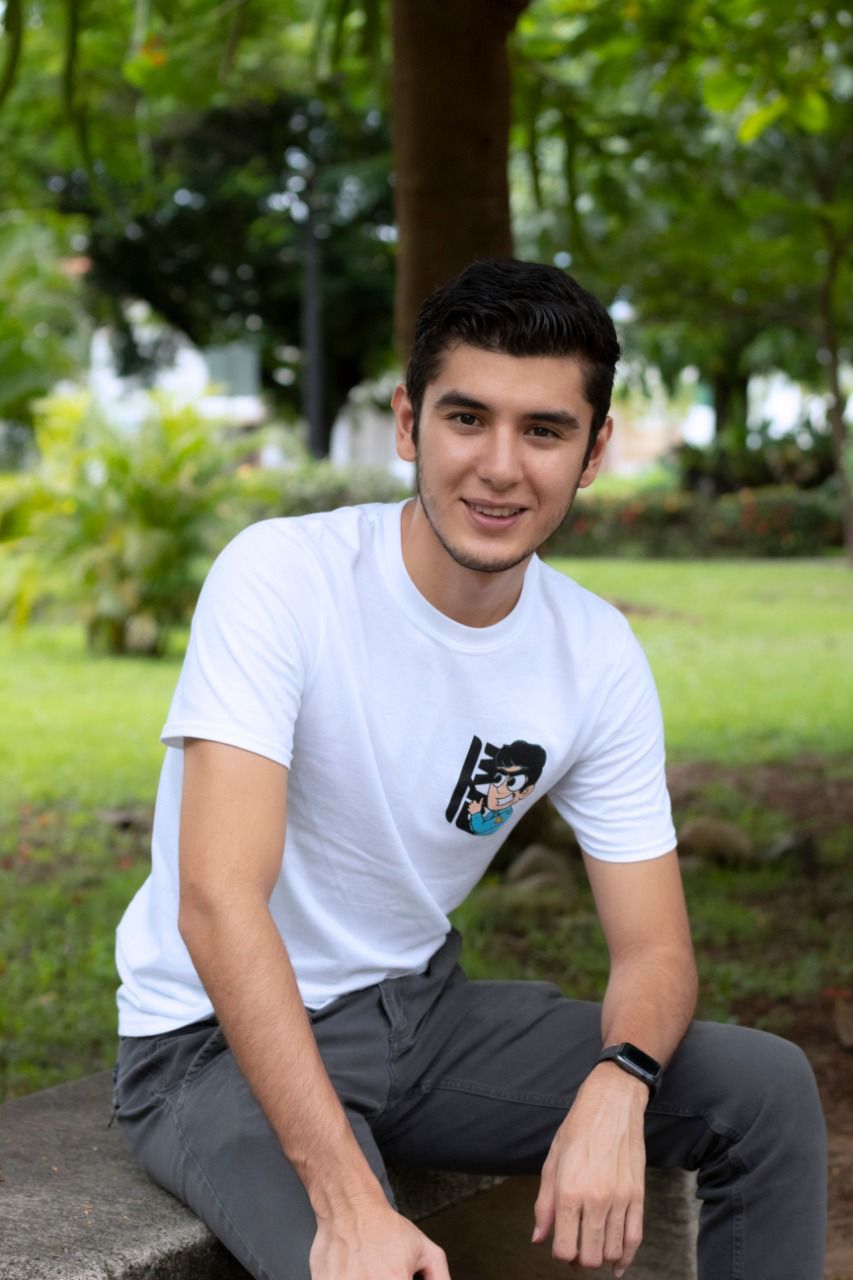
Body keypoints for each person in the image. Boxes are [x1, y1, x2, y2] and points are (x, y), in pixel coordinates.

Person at [113, 259, 827, 1280]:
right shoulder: (282, 577)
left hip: (419, 1012)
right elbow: (218, 901)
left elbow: (655, 947)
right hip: (211, 1041)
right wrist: (353, 1204)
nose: (499, 465)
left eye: (542, 430)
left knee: (761, 1088)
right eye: (465, 418)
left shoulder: (595, 652)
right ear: (409, 424)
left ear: (593, 450)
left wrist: (619, 1083)